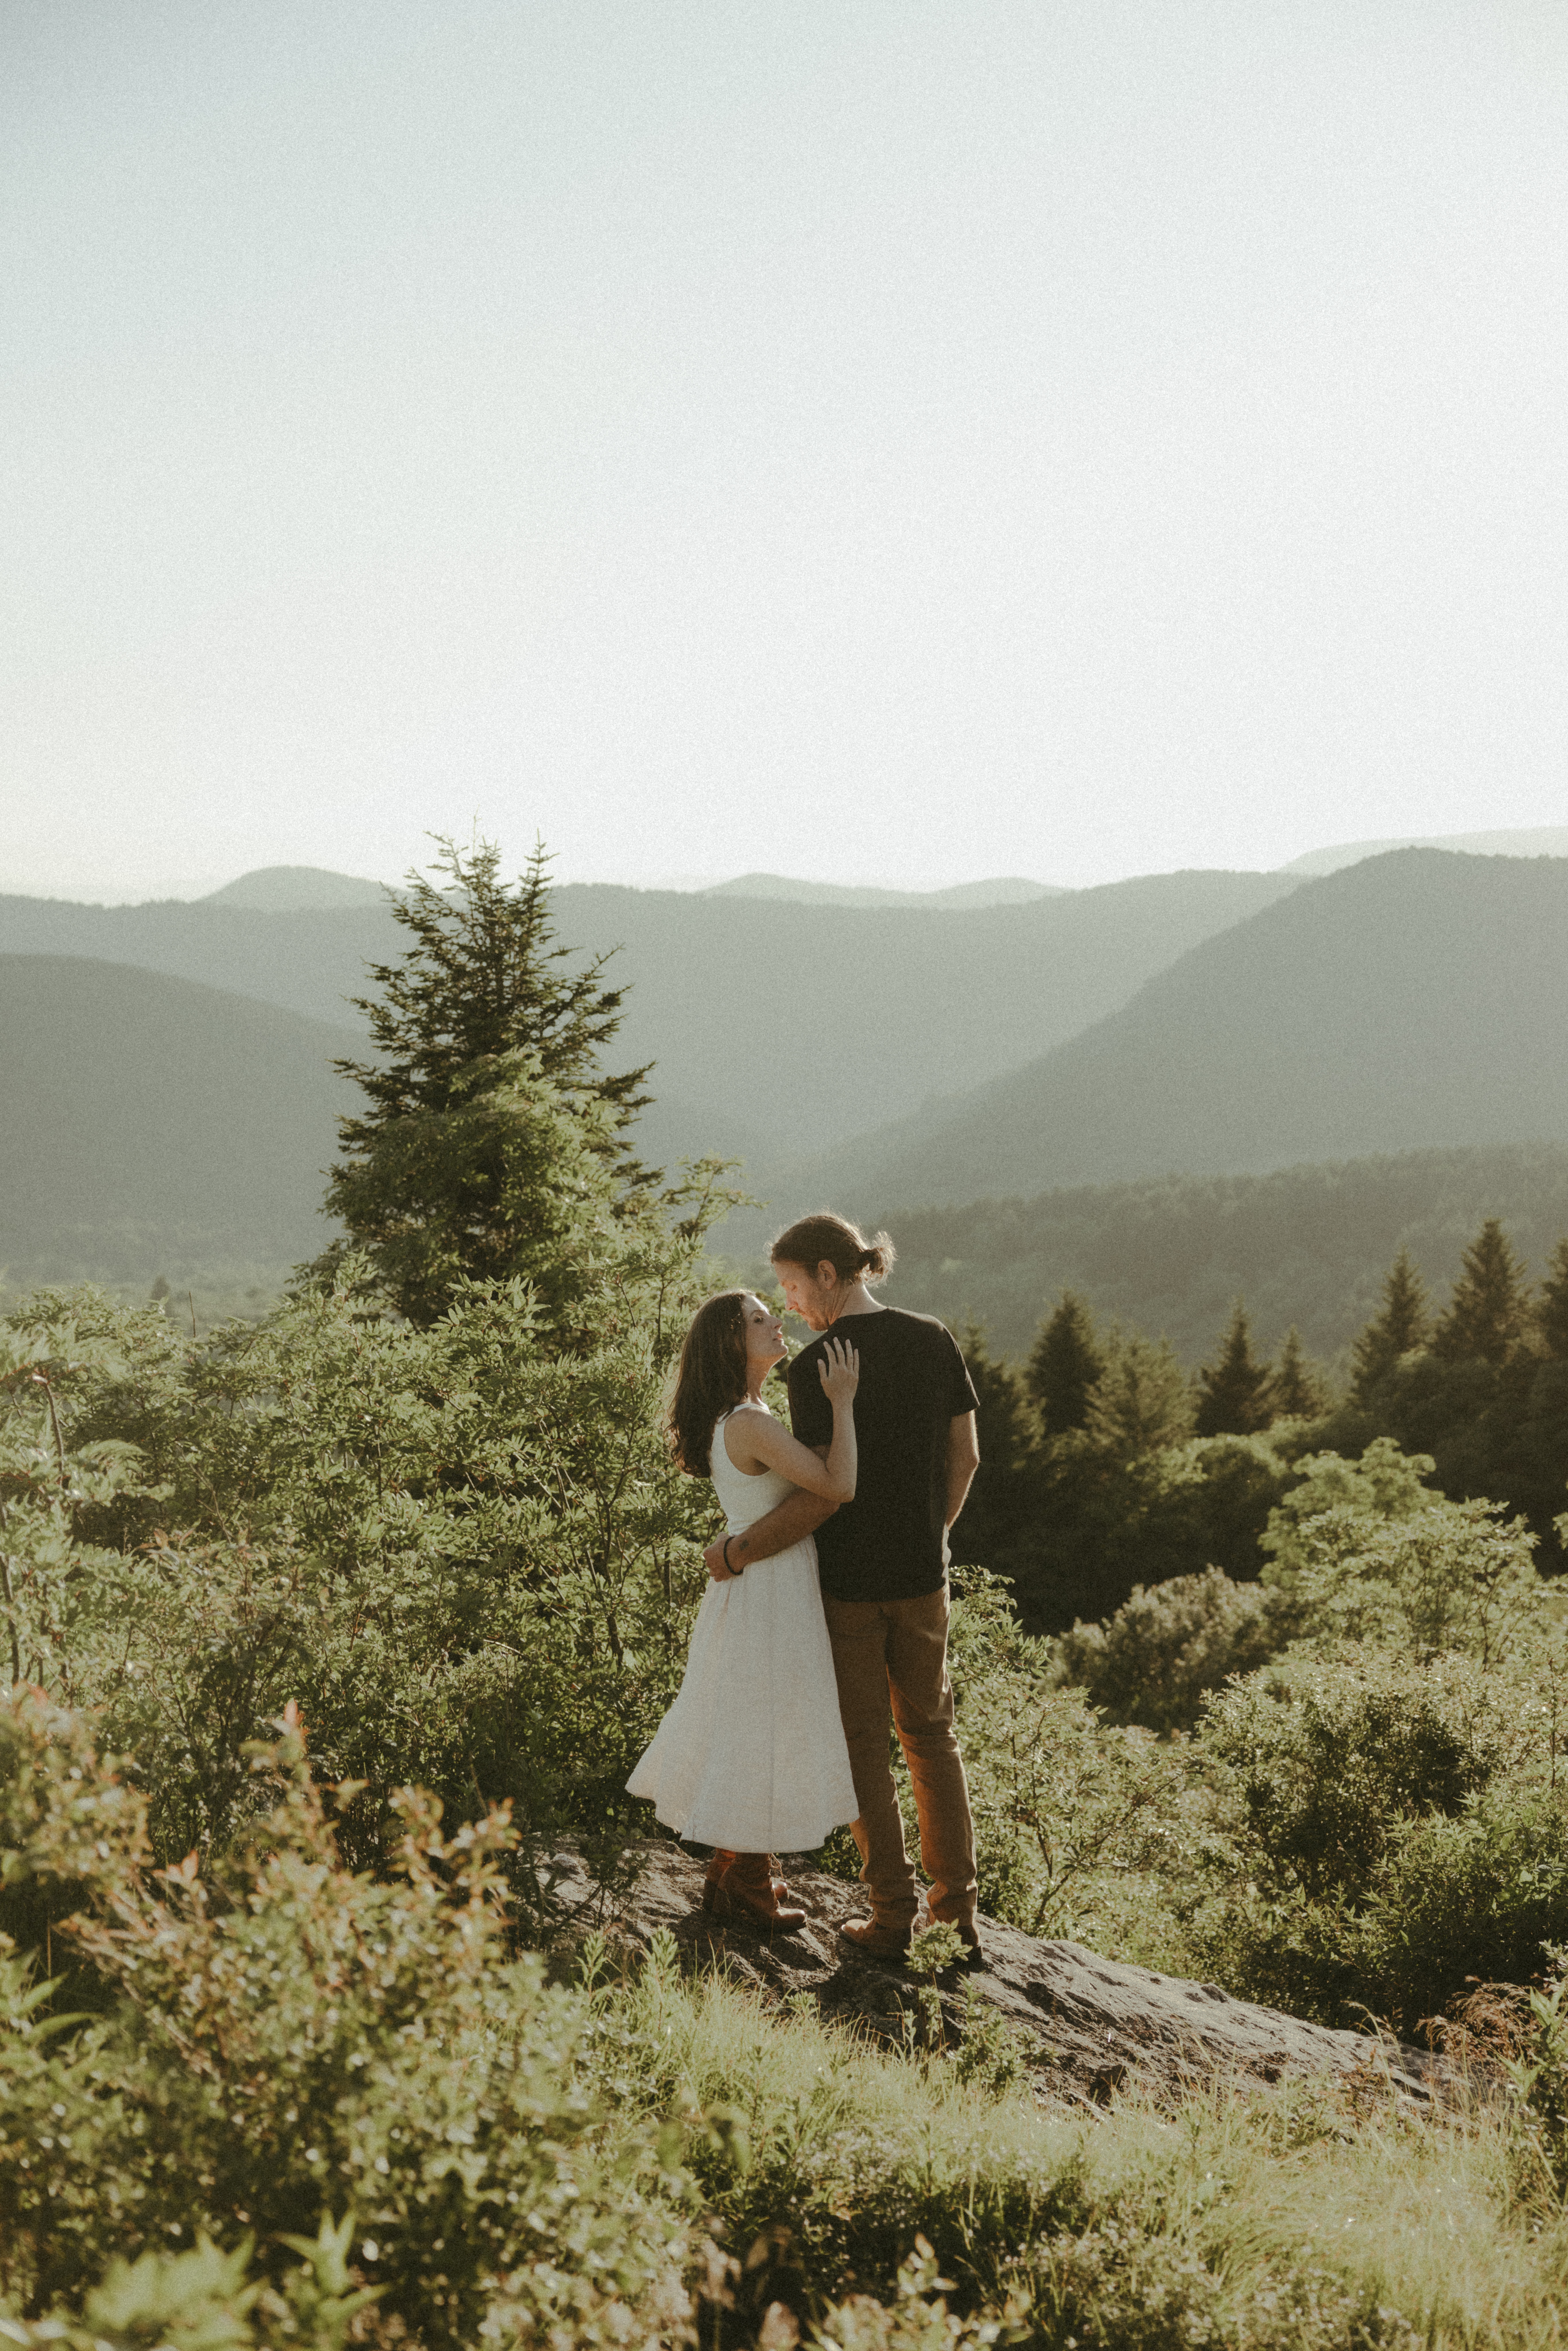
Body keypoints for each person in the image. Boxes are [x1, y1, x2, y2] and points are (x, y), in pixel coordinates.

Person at [704, 1213, 983, 1962]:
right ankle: (955, 1919)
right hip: (924, 1578)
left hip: (851, 1587)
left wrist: (739, 1550)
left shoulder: (817, 1366)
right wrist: (935, 1534)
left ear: (829, 1272)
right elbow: (967, 1457)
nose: (790, 1304)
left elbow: (825, 1490)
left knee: (865, 1748)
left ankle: (892, 1920)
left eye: (793, 1286)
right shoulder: (932, 1338)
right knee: (933, 1739)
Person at [627, 1289, 861, 1927]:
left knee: (753, 1717)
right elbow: (838, 1485)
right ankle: (748, 1884)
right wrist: (842, 1401)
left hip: (758, 1581)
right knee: (764, 1723)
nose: (774, 1321)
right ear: (732, 1342)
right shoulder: (749, 1422)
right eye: (759, 1319)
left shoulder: (749, 1412)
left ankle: (732, 1875)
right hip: (769, 1586)